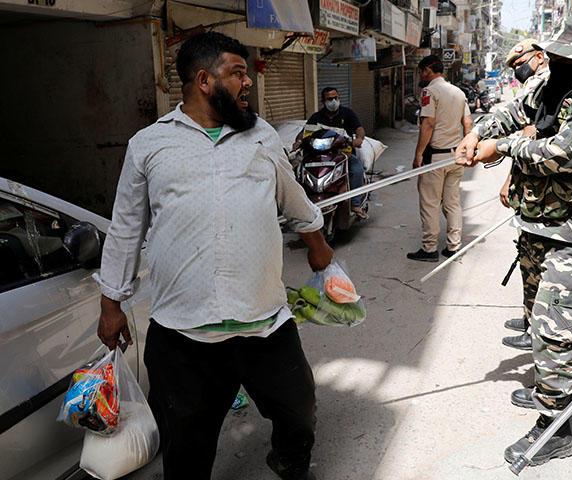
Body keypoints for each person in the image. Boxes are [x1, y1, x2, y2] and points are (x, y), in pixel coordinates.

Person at [95, 32, 333, 480]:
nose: (247, 83)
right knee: (186, 442)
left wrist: (319, 247)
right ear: (204, 80)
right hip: (183, 333)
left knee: (299, 410)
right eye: (237, 73)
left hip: (263, 321)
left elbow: (293, 197)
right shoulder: (148, 144)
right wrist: (111, 303)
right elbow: (126, 228)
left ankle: (289, 459)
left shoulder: (261, 136)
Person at [458, 17, 572, 465]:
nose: (554, 62)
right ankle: (551, 389)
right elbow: (515, 111)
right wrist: (479, 131)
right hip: (541, 219)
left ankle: (555, 427)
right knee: (539, 322)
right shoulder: (557, 80)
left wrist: (501, 150)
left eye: (565, 56)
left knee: (554, 325)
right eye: (553, 53)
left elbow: (566, 152)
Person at [459, 38, 550, 352]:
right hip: (534, 190)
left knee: (537, 266)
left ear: (538, 57)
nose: (518, 70)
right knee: (528, 260)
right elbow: (513, 118)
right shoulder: (537, 85)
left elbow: (529, 136)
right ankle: (530, 320)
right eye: (513, 67)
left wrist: (508, 178)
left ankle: (536, 328)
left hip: (545, 194)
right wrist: (477, 134)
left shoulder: (548, 84)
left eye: (519, 64)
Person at [408, 54, 473, 262]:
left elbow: (428, 123)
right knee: (453, 202)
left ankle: (429, 249)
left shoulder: (430, 91)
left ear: (428, 69)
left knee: (430, 203)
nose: (421, 75)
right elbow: (468, 124)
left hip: (435, 157)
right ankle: (454, 246)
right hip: (456, 156)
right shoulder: (459, 92)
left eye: (421, 71)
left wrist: (418, 154)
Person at [295, 87, 368, 219]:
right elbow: (304, 132)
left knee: (356, 169)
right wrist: (299, 141)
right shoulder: (316, 117)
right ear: (323, 101)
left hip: (343, 153)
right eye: (330, 99)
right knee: (299, 170)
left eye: (336, 98)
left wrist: (358, 139)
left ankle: (356, 204)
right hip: (320, 155)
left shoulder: (347, 113)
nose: (333, 101)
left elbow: (359, 128)